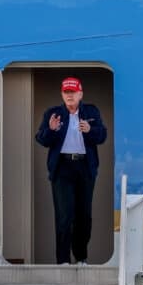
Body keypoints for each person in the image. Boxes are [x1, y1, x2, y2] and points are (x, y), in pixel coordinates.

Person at [35, 77, 107, 265]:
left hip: (85, 167)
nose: (69, 96)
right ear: (62, 94)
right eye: (66, 92)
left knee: (84, 216)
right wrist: (51, 130)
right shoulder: (53, 113)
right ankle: (63, 260)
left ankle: (81, 257)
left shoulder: (91, 111)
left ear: (80, 94)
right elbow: (41, 139)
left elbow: (102, 136)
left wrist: (90, 129)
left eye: (73, 92)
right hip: (63, 168)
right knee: (65, 215)